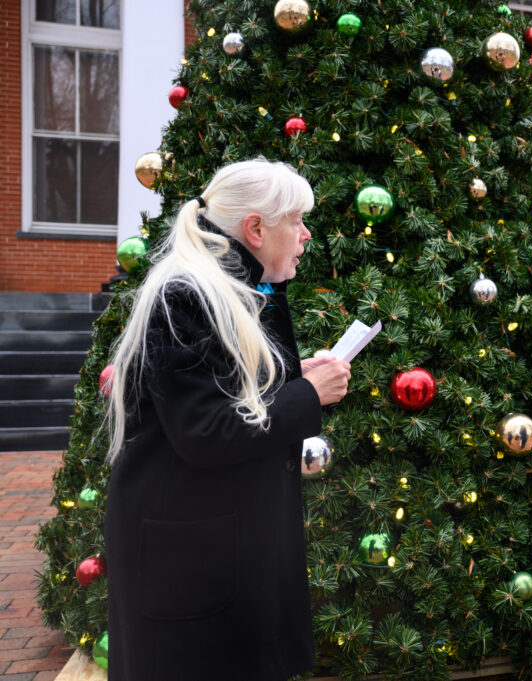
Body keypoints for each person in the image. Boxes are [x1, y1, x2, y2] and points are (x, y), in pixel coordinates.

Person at [103, 159, 352, 681]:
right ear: (255, 229)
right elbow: (205, 431)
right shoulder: (186, 295)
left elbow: (229, 389)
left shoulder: (232, 286)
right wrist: (307, 394)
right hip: (191, 567)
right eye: (296, 221)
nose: (306, 234)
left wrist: (293, 378)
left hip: (217, 554)